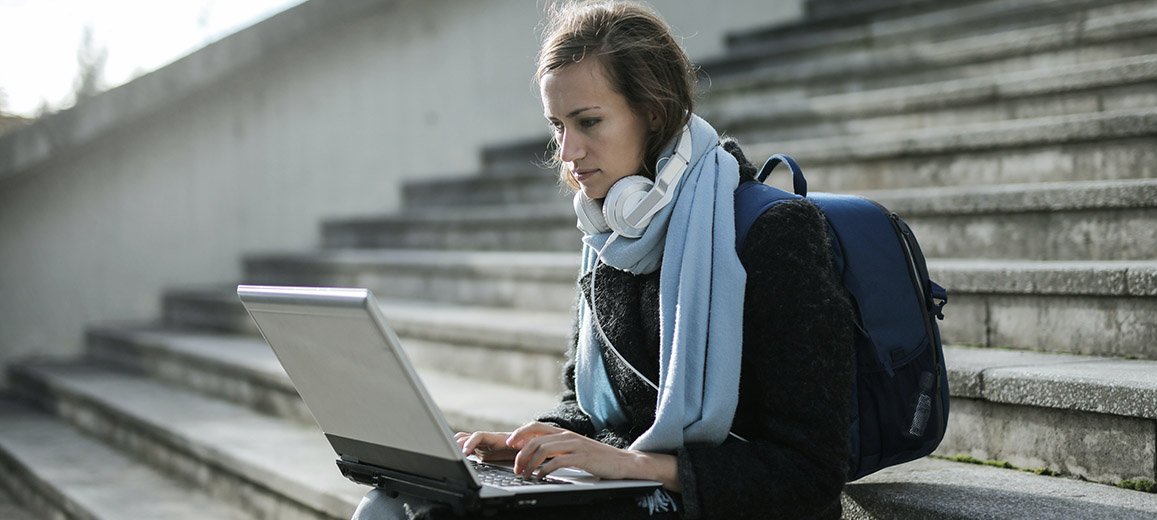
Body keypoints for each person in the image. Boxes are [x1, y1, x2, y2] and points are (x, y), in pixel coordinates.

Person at [353, 1, 855, 518]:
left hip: (713, 503)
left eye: (588, 121)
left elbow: (810, 474)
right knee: (395, 502)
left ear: (653, 112)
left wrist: (634, 465)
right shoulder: (609, 230)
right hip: (623, 492)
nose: (568, 151)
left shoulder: (774, 233)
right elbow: (587, 406)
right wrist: (529, 442)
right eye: (557, 126)